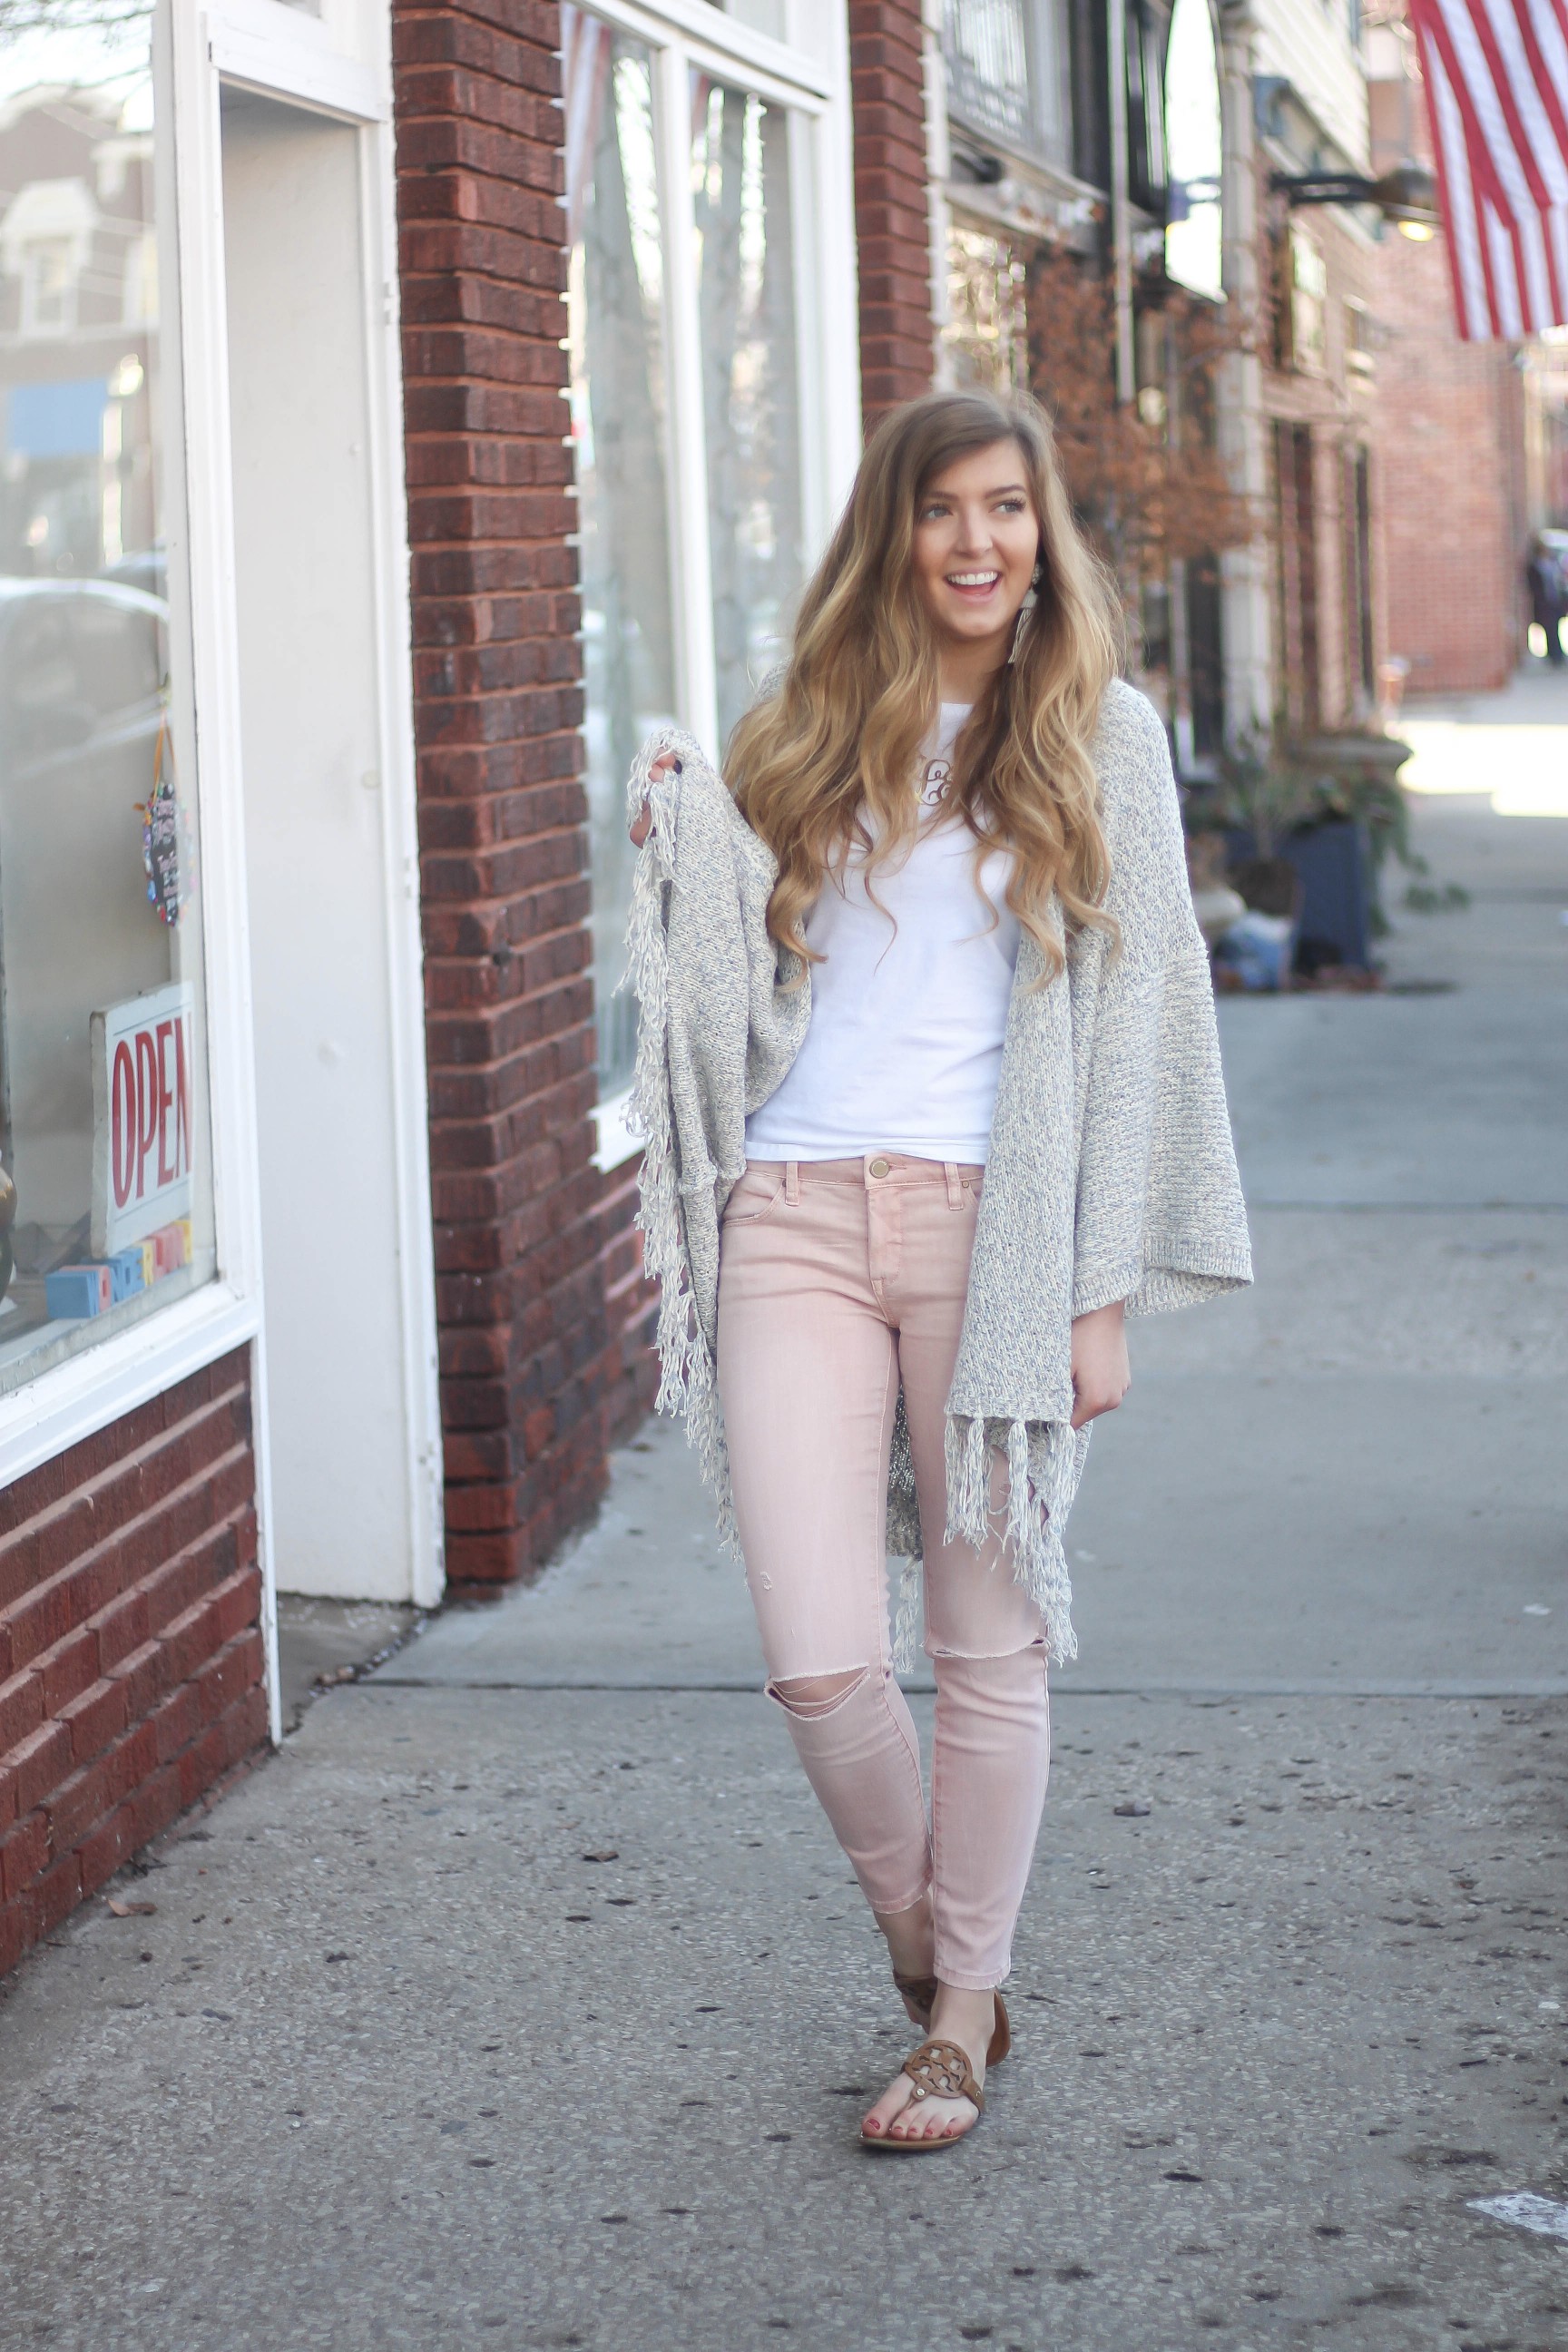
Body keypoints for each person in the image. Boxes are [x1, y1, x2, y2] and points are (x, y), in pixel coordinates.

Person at [625, 389, 1251, 2151]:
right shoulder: (806, 725)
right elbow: (747, 998)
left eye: (1009, 509)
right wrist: (684, 852)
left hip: (993, 1225)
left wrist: (1098, 1290)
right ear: (890, 535)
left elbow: (1140, 1021)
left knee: (985, 1645)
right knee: (820, 1657)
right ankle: (928, 1945)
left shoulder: (1098, 736)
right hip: (799, 1221)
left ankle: (962, 2021)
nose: (979, 543)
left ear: (1044, 534)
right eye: (944, 511)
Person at [1526, 534, 1566, 666]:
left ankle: (1558, 654)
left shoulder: (1553, 562)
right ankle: (1553, 655)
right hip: (1544, 603)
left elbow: (1560, 579)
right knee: (1549, 628)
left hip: (1555, 600)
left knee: (1556, 626)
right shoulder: (1535, 566)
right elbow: (1533, 585)